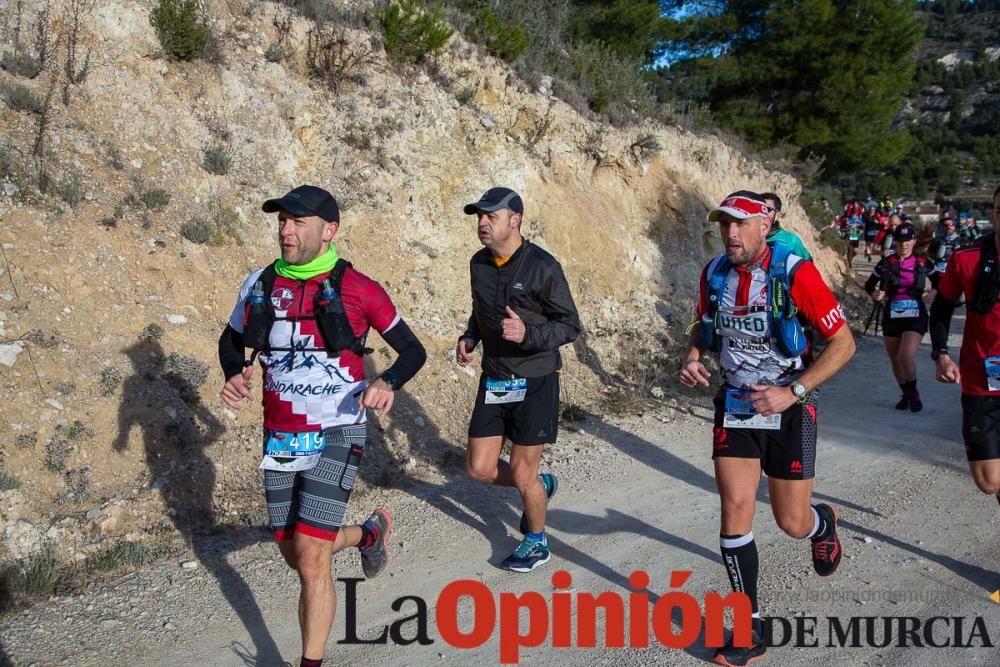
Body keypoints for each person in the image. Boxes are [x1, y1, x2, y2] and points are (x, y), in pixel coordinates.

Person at [217, 185, 427, 667]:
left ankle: (311, 662)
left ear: (328, 230)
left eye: (297, 222)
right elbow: (229, 341)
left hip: (339, 428)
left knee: (312, 558)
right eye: (282, 221)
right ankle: (368, 534)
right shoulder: (259, 283)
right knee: (296, 552)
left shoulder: (360, 289)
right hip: (282, 437)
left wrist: (388, 381)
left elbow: (412, 350)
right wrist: (233, 371)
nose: (285, 231)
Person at [680, 191, 856, 665]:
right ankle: (749, 626)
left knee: (791, 522)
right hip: (736, 404)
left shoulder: (794, 271)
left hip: (790, 405)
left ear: (764, 226)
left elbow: (843, 344)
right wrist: (694, 356)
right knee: (735, 510)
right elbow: (704, 324)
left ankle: (823, 524)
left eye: (740, 225)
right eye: (724, 226)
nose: (730, 234)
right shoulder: (714, 274)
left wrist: (794, 392)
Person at [456, 187, 581, 573]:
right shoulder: (479, 263)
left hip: (536, 379)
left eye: (491, 217)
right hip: (495, 377)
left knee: (522, 470)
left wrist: (528, 335)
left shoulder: (543, 267)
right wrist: (471, 335)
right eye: (479, 216)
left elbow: (570, 325)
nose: (482, 223)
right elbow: (482, 311)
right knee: (478, 468)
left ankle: (536, 541)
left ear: (515, 220)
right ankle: (538, 488)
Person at [929, 184, 1000, 511]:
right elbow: (942, 308)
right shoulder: (967, 258)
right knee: (988, 481)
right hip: (980, 380)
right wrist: (941, 353)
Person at [865, 222, 938, 412]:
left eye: (908, 241)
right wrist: (875, 294)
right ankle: (906, 393)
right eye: (900, 241)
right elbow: (870, 284)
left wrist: (933, 293)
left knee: (905, 356)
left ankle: (913, 395)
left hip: (915, 314)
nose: (904, 245)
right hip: (892, 313)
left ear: (914, 241)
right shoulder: (887, 262)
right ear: (895, 242)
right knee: (895, 359)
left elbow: (941, 283)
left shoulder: (923, 262)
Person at [760, 192, 811, 259]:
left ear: (777, 215)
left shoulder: (791, 241)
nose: (761, 213)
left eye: (767, 209)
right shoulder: (745, 235)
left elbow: (807, 266)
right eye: (758, 208)